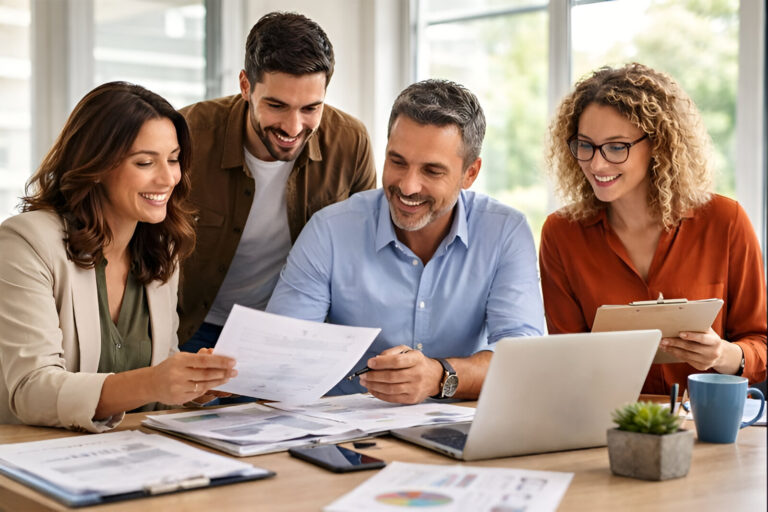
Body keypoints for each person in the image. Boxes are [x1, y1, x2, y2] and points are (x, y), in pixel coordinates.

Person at [267, 79, 545, 404]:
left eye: (432, 171)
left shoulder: (504, 232)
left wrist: (439, 376)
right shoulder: (330, 230)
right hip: (344, 434)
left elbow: (522, 357)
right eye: (397, 162)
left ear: (470, 173)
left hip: (457, 431)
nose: (408, 187)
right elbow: (279, 355)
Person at [0, 82, 237, 432]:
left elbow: (154, 377)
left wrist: (192, 385)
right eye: (145, 162)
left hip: (128, 454)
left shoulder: (161, 247)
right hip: (33, 457)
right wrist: (154, 381)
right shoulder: (25, 242)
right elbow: (31, 390)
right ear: (95, 165)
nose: (168, 178)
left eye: (173, 159)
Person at [540, 63, 767, 395]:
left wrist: (724, 354)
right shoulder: (561, 234)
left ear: (658, 145)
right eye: (585, 145)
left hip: (710, 421)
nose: (596, 164)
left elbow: (760, 343)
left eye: (617, 147)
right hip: (609, 423)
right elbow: (567, 361)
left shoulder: (725, 221)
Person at [178, 12, 376, 351]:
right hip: (191, 327)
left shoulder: (350, 142)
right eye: (277, 105)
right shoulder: (188, 134)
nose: (294, 127)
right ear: (245, 86)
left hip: (293, 330)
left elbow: (366, 251)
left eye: (311, 108)